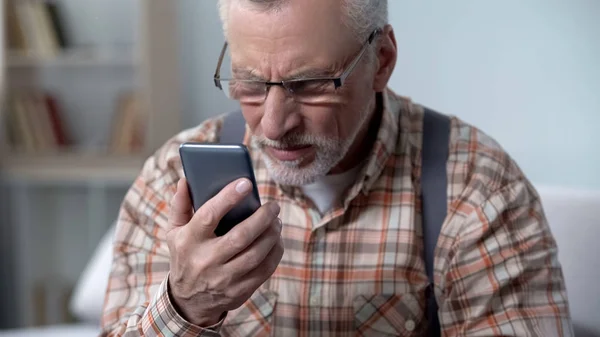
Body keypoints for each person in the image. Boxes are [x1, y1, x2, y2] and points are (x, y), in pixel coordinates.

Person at [100, 0, 573, 336]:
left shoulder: (477, 187)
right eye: (248, 83)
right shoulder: (170, 177)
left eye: (309, 85)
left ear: (381, 61)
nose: (273, 123)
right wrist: (186, 306)